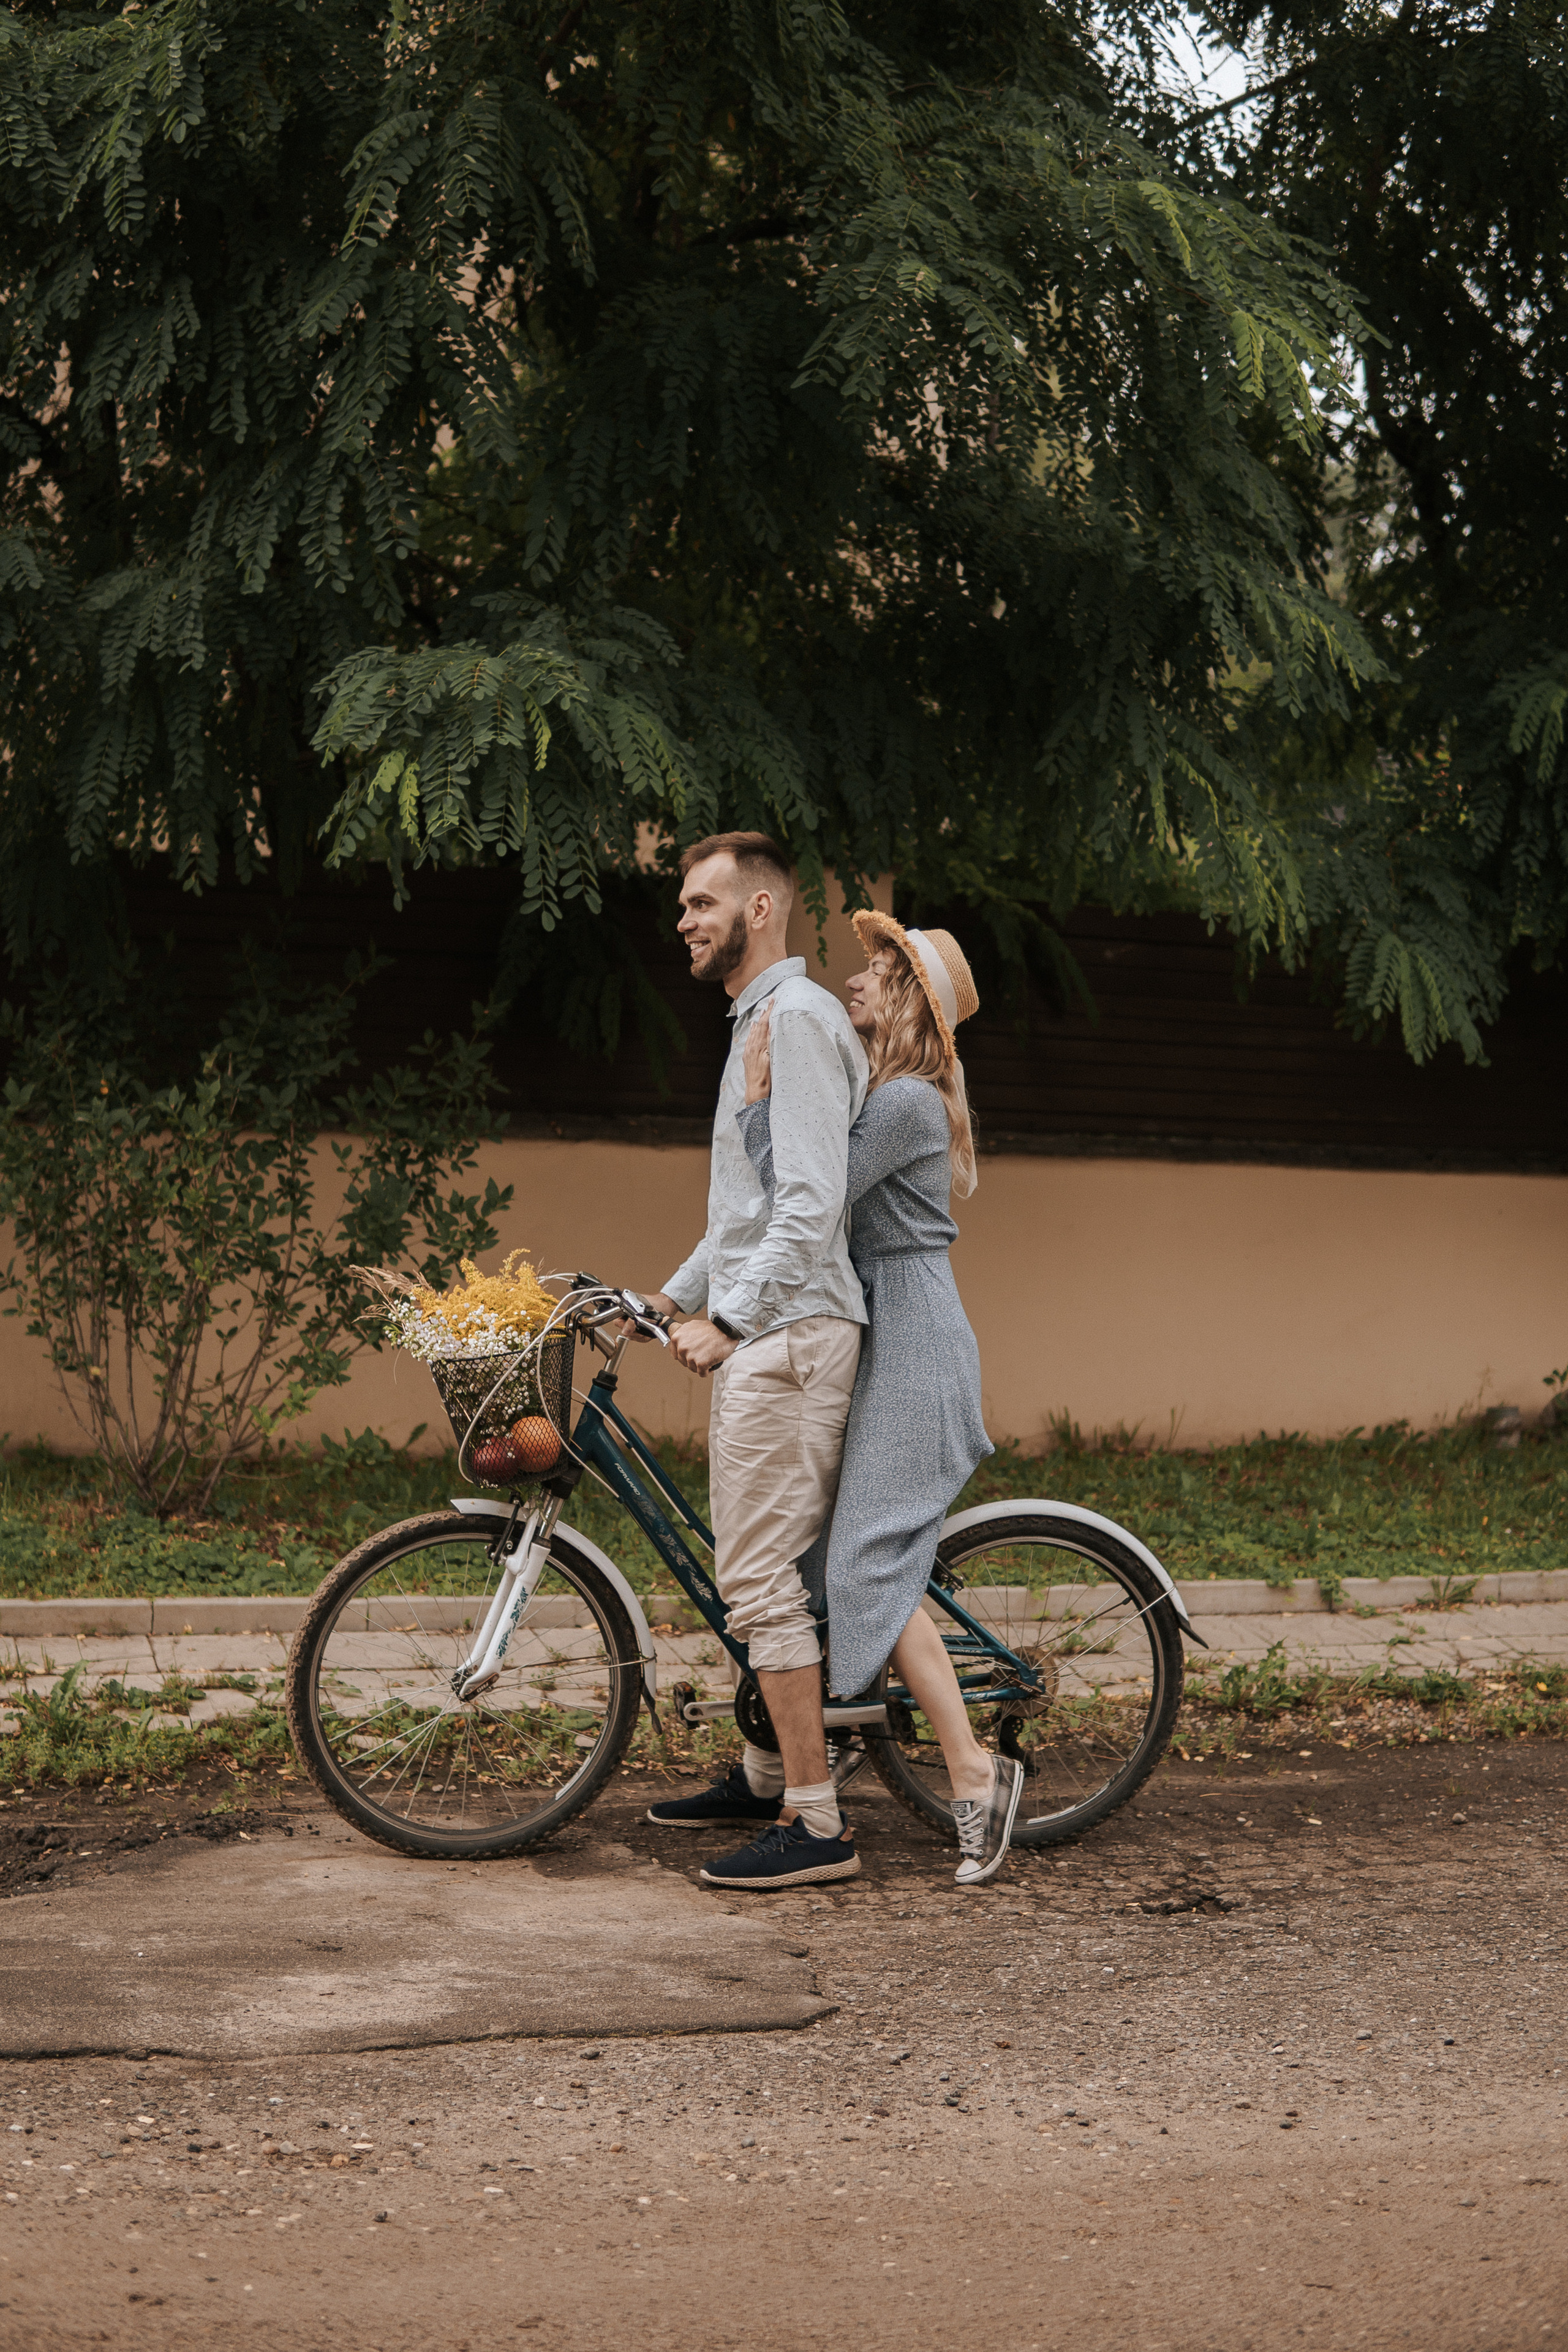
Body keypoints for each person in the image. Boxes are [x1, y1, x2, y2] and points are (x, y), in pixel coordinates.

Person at [735, 913, 1024, 1887]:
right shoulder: (891, 1092)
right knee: (817, 1548)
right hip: (886, 1331)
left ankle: (975, 1775)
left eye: (877, 972)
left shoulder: (906, 1103)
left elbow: (806, 1197)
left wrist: (759, 1104)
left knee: (864, 1560)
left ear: (907, 1000)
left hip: (913, 1344)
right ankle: (783, 1758)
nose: (857, 982)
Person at [633, 831, 870, 1890]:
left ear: (761, 909)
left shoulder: (801, 1019)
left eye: (701, 902)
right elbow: (752, 1212)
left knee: (758, 1578)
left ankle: (817, 1823)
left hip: (791, 1337)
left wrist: (728, 1321)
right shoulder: (756, 1024)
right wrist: (677, 1295)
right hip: (767, 1329)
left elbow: (813, 1208)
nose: (684, 920)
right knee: (752, 1571)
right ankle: (768, 1769)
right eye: (682, 905)